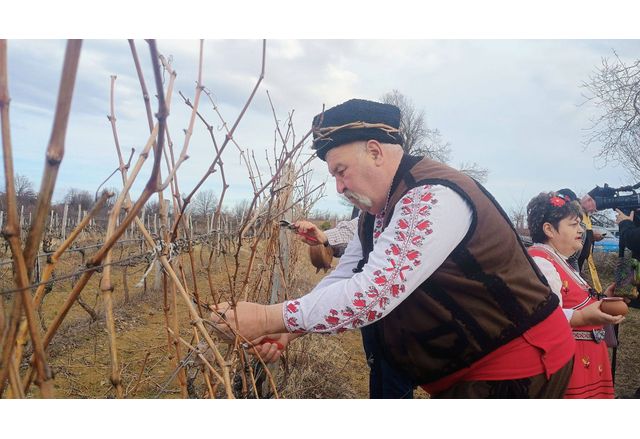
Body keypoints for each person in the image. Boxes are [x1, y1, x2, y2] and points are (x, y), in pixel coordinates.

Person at [213, 98, 576, 398]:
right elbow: (346, 274)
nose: (339, 187)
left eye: (341, 171)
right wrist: (292, 329)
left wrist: (267, 318)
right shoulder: (376, 212)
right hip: (473, 373)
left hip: (520, 367)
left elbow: (372, 294)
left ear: (374, 151)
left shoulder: (431, 197)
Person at [294, 217, 415, 398]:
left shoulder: (415, 206)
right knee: (377, 368)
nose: (341, 188)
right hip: (374, 322)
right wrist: (290, 322)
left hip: (402, 320)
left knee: (394, 379)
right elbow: (357, 231)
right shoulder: (370, 214)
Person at [526, 191, 625, 398]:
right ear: (549, 229)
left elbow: (575, 301)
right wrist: (582, 317)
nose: (581, 230)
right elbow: (543, 316)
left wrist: (604, 300)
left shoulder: (559, 260)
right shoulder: (541, 262)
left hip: (587, 359)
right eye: (573, 225)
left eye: (580, 224)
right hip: (572, 362)